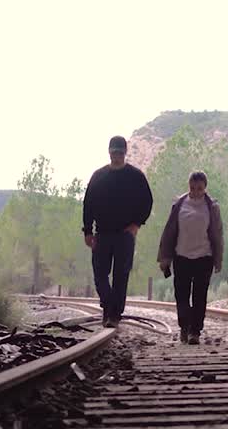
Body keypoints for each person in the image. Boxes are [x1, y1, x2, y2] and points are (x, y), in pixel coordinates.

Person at [82, 135, 152, 327]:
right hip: (102, 233)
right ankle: (109, 306)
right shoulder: (98, 176)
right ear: (109, 152)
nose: (117, 156)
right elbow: (88, 204)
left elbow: (147, 202)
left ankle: (114, 315)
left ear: (125, 153)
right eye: (114, 152)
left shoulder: (136, 176)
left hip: (124, 235)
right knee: (100, 274)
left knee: (121, 275)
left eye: (120, 152)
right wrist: (87, 231)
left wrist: (137, 224)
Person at [157, 171, 224, 345]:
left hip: (204, 256)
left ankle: (195, 331)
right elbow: (169, 232)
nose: (195, 191)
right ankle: (184, 327)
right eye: (192, 188)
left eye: (199, 188)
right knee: (182, 295)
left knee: (200, 296)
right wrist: (165, 257)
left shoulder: (211, 207)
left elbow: (218, 233)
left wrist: (218, 259)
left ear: (205, 188)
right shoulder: (179, 205)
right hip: (182, 256)